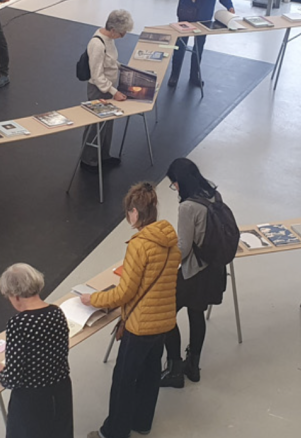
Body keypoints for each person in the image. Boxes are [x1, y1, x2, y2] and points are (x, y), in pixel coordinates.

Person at [81, 183, 180, 438]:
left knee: (124, 381)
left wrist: (94, 299)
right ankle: (142, 423)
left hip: (139, 326)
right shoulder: (170, 240)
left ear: (135, 212)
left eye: (129, 212)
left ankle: (113, 432)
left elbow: (125, 293)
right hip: (164, 321)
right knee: (150, 375)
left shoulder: (139, 244)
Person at [159, 158, 229, 389]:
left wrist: (161, 261)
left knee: (167, 313)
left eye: (174, 184)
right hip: (214, 269)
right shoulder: (212, 194)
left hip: (194, 271)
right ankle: (193, 366)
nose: (175, 188)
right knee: (196, 313)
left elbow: (184, 248)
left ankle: (174, 368)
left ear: (180, 182)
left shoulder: (188, 207)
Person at [0, 263, 73, 438]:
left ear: (16, 295)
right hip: (60, 390)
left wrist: (1, 373)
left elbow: (13, 379)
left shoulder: (19, 323)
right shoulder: (56, 312)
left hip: (32, 399)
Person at [169, 0, 234, 89]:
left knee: (199, 47)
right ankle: (174, 75)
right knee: (180, 45)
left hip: (205, 15)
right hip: (186, 12)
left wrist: (229, 6)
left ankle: (194, 76)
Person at [81, 10, 134, 170]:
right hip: (99, 90)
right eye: (121, 32)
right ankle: (88, 161)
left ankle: (103, 156)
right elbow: (97, 75)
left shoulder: (109, 39)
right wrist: (114, 92)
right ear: (112, 29)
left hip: (108, 88)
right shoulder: (97, 44)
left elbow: (110, 61)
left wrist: (122, 68)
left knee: (107, 124)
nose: (123, 36)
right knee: (95, 126)